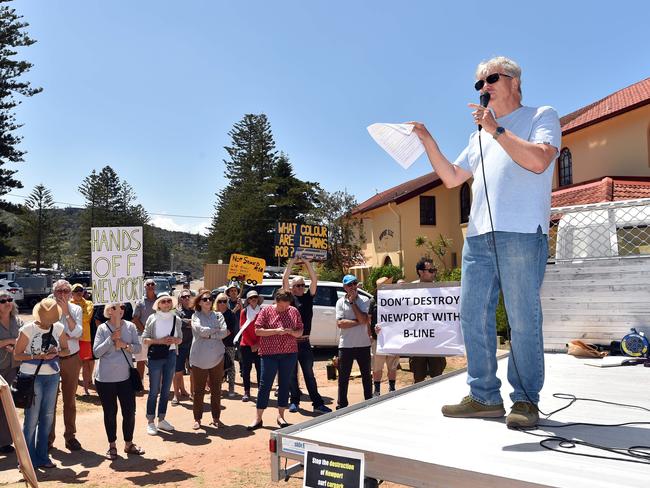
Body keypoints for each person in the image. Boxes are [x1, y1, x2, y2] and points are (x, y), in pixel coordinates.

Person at [411, 56, 561, 428]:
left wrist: (497, 131)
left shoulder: (541, 115)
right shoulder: (478, 134)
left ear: (514, 81)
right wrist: (427, 140)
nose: (483, 88)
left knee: (522, 318)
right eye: (478, 84)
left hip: (523, 233)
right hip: (478, 237)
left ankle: (525, 400)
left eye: (490, 79)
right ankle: (483, 396)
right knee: (473, 315)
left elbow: (541, 160)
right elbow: (451, 178)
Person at [13, 298, 70, 469]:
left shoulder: (58, 328)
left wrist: (57, 351)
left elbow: (67, 349)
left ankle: (42, 456)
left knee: (47, 417)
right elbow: (17, 355)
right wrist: (37, 356)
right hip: (32, 376)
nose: (49, 323)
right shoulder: (27, 329)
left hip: (52, 375)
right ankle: (27, 459)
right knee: (32, 418)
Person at [93, 302, 145, 459]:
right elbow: (96, 352)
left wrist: (125, 345)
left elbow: (138, 348)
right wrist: (111, 339)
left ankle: (128, 444)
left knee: (129, 412)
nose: (120, 310)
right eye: (115, 307)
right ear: (109, 311)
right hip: (105, 379)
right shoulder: (102, 328)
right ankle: (112, 446)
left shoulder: (129, 326)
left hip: (126, 378)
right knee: (110, 413)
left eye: (122, 307)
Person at [246, 289, 302, 430]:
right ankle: (258, 418)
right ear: (276, 301)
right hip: (269, 353)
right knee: (265, 385)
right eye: (282, 306)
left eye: (287, 305)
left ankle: (281, 416)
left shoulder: (293, 311)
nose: (285, 308)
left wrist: (292, 332)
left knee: (284, 384)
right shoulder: (266, 311)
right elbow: (257, 330)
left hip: (289, 353)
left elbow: (300, 331)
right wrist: (276, 331)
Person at [282, 256, 331, 414]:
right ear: (293, 287)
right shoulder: (289, 298)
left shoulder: (308, 298)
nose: (302, 287)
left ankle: (317, 403)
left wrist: (307, 262)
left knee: (309, 374)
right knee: (291, 374)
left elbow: (314, 279)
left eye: (303, 284)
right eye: (298, 285)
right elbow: (284, 280)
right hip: (290, 342)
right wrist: (291, 262)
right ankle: (294, 401)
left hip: (304, 343)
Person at [48, 279, 83, 451]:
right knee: (50, 401)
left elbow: (77, 332)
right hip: (51, 359)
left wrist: (67, 313)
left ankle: (70, 436)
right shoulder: (46, 307)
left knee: (70, 400)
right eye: (59, 290)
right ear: (54, 292)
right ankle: (48, 439)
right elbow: (47, 331)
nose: (62, 293)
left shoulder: (76, 309)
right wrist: (67, 335)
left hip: (71, 358)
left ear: (70, 293)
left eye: (66, 290)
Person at [142, 292, 183, 435]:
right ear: (158, 304)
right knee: (154, 390)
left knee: (166, 390)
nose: (166, 303)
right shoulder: (152, 319)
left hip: (171, 355)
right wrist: (160, 341)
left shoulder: (176, 319)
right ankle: (150, 421)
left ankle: (162, 419)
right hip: (155, 356)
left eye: (168, 301)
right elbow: (145, 339)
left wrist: (175, 340)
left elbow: (180, 339)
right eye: (163, 301)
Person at [189, 290, 229, 429]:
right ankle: (197, 419)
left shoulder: (218, 315)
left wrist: (211, 334)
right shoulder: (195, 316)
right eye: (205, 299)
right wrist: (215, 329)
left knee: (216, 390)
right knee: (198, 391)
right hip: (199, 358)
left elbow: (224, 332)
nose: (208, 301)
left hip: (217, 357)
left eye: (210, 299)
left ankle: (216, 418)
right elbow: (201, 331)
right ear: (199, 302)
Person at [335, 275, 372, 409]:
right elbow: (340, 323)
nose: (353, 287)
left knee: (366, 376)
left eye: (355, 283)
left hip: (363, 344)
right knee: (343, 377)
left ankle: (369, 401)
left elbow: (364, 319)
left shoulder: (365, 300)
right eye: (349, 285)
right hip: (346, 345)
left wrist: (352, 303)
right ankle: (342, 404)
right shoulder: (340, 302)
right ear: (345, 287)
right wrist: (359, 322)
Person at [409, 259, 447, 383]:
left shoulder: (442, 291)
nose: (433, 273)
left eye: (434, 270)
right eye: (430, 270)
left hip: (436, 342)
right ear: (420, 272)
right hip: (417, 342)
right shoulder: (409, 291)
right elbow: (398, 315)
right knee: (418, 378)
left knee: (437, 377)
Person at [369, 277, 400, 397]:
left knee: (392, 366)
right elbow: (369, 319)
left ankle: (392, 388)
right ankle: (376, 390)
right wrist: (371, 334)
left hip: (393, 339)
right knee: (377, 366)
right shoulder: (373, 301)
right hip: (378, 340)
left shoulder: (396, 300)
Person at [0, 291, 22, 454]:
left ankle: (5, 442)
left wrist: (15, 346)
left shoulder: (18, 321)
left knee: (8, 406)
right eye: (3, 301)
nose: (7, 302)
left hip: (13, 368)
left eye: (9, 300)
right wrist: (8, 341)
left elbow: (24, 341)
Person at [70, 283, 95, 396]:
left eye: (81, 291)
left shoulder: (89, 303)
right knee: (72, 365)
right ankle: (72, 390)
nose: (79, 293)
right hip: (72, 338)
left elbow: (86, 317)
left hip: (85, 338)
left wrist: (74, 317)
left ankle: (85, 389)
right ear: (72, 293)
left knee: (85, 364)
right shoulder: (68, 303)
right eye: (76, 291)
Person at [238, 290, 262, 402]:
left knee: (260, 369)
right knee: (246, 369)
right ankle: (246, 391)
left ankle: (261, 391)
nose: (253, 299)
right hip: (246, 344)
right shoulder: (244, 312)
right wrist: (252, 344)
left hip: (259, 345)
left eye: (255, 297)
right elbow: (243, 329)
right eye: (251, 298)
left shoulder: (262, 311)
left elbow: (264, 328)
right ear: (248, 300)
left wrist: (257, 344)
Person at [132, 278, 157, 380]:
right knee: (141, 361)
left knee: (154, 361)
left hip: (156, 336)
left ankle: (155, 384)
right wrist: (145, 332)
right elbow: (135, 319)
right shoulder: (140, 302)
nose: (150, 286)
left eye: (152, 284)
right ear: (145, 287)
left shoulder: (159, 301)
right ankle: (140, 383)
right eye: (148, 284)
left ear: (155, 286)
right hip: (142, 335)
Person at [215, 292, 239, 397]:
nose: (222, 303)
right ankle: (218, 387)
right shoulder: (213, 314)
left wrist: (217, 337)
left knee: (230, 366)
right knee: (217, 366)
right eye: (220, 301)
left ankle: (231, 387)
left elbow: (230, 330)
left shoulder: (231, 314)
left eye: (224, 301)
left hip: (228, 343)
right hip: (215, 344)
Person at [172, 290, 193, 405]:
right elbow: (178, 322)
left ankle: (192, 393)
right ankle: (176, 395)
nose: (186, 298)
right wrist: (190, 322)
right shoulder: (176, 312)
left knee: (193, 371)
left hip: (192, 345)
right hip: (180, 345)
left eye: (188, 296)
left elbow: (196, 322)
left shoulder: (194, 311)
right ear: (180, 299)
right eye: (183, 297)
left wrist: (188, 323)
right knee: (178, 371)